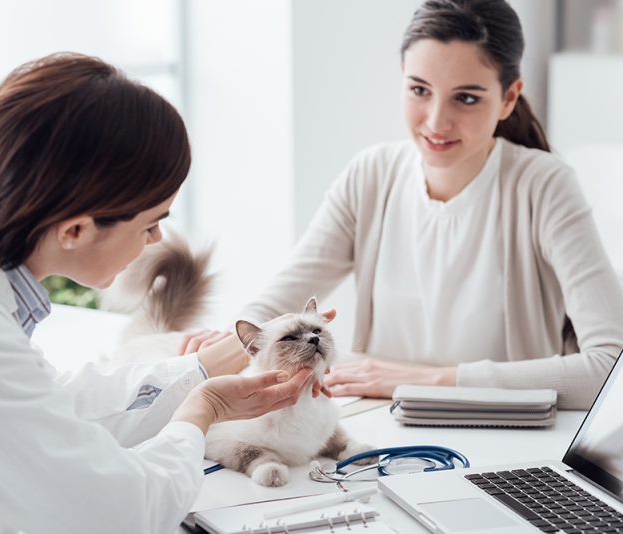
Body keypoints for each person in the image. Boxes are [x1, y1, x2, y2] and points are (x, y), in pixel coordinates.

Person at [0, 53, 321, 534]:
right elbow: (118, 513)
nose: (157, 242)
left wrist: (198, 371)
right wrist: (200, 410)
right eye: (150, 224)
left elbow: (47, 406)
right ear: (77, 229)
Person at [182, 0, 623, 410]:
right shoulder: (371, 174)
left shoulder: (544, 186)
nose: (436, 121)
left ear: (509, 97)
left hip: (509, 442)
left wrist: (422, 381)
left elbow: (610, 368)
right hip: (381, 428)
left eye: (466, 97)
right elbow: (277, 301)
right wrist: (223, 344)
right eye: (419, 89)